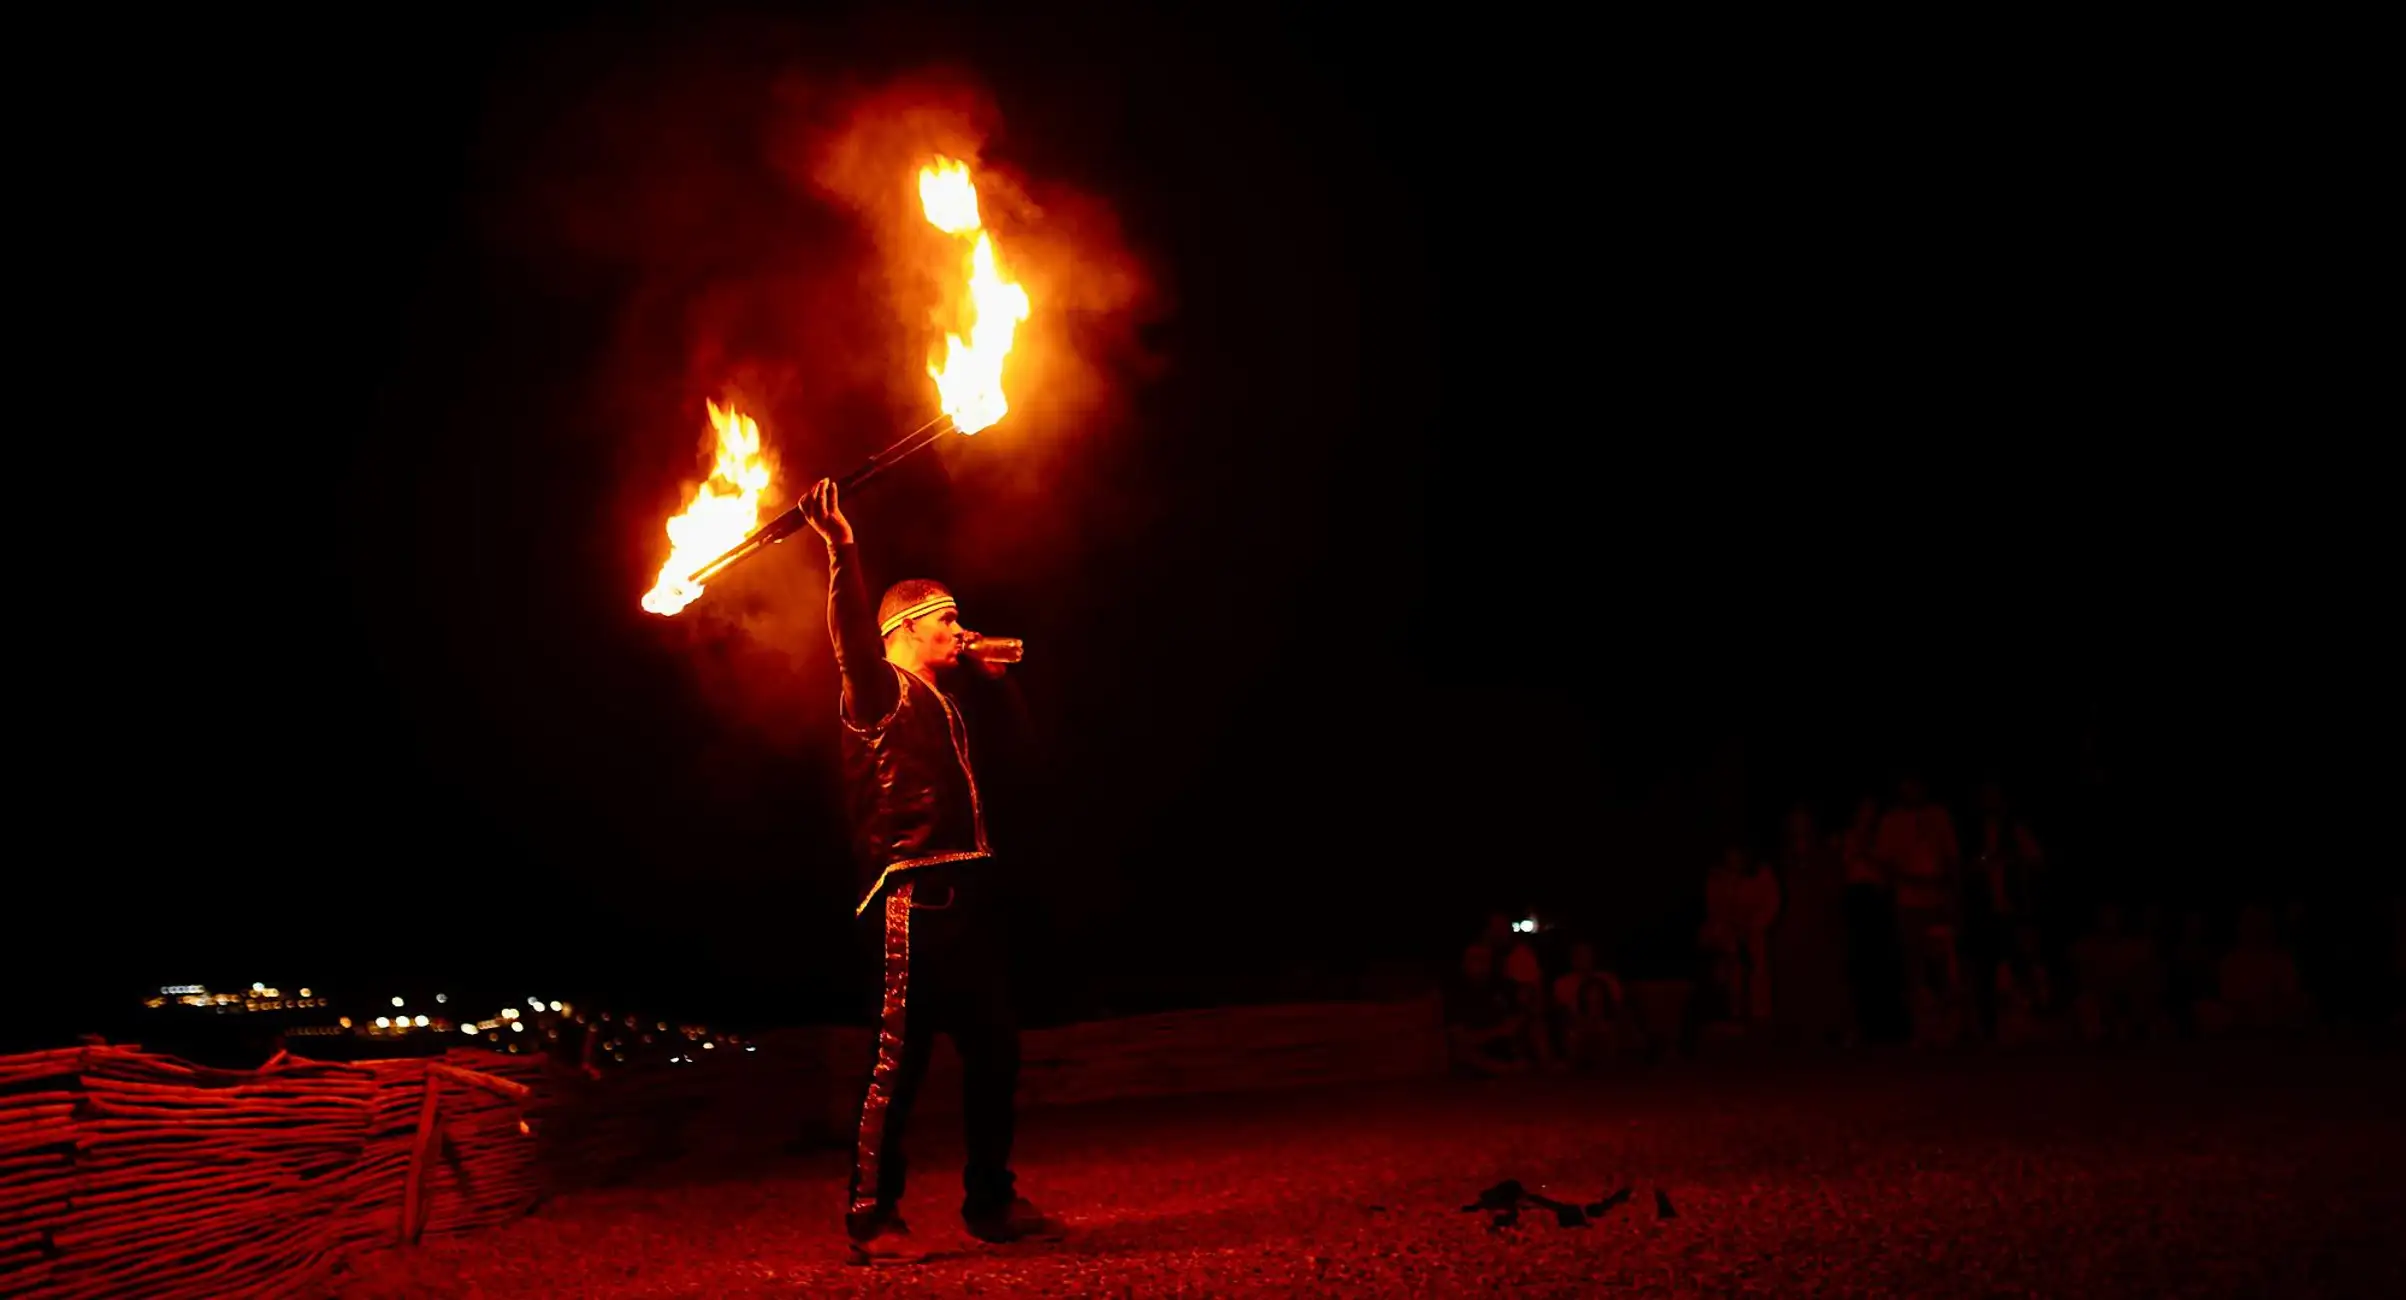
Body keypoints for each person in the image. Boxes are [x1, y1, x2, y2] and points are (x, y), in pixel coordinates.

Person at [799, 479, 1050, 1264]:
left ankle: (990, 1203)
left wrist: (1001, 687)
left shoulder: (950, 703)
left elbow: (1035, 766)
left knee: (997, 1051)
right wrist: (842, 548)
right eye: (945, 617)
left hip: (967, 903)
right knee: (894, 1068)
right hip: (912, 902)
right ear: (905, 627)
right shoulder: (876, 691)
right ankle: (872, 1218)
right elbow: (848, 635)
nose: (960, 628)